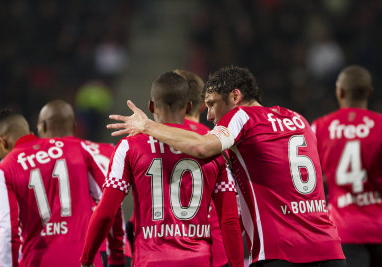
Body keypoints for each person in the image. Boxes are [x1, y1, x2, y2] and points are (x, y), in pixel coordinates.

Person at [107, 65, 346, 266]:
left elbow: (203, 147)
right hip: (329, 249)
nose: (209, 115)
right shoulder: (298, 119)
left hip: (280, 252)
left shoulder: (241, 117)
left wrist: (147, 126)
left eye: (212, 104)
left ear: (235, 97)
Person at [80, 72, 244, 267]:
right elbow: (229, 220)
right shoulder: (214, 148)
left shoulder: (129, 146)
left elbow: (107, 212)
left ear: (150, 106)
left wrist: (87, 259)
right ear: (190, 106)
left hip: (150, 260)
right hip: (198, 260)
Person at [0, 109, 109, 266]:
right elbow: (106, 200)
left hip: (39, 261)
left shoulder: (4, 169)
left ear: (2, 143)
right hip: (85, 261)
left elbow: (7, 229)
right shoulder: (74, 147)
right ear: (29, 132)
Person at [37, 99, 126, 267]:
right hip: (110, 247)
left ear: (43, 126)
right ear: (74, 125)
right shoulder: (110, 149)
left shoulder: (32, 159)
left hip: (66, 252)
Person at [311, 65, 382, 267]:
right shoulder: (380, 125)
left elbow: (310, 177)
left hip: (343, 229)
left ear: (339, 92)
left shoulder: (320, 127)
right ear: (369, 92)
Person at [174, 68, 229, 267]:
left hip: (163, 250)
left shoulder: (150, 142)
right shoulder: (220, 143)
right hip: (215, 252)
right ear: (203, 107)